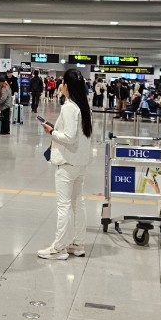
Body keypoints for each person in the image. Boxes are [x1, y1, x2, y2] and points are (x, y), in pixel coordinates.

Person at [38, 68, 95, 260]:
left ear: (67, 86)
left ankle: (59, 248)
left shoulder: (69, 107)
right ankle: (78, 244)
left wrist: (52, 132)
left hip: (67, 162)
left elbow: (69, 137)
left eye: (62, 83)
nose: (61, 86)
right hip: (80, 162)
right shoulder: (84, 107)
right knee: (78, 203)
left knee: (63, 205)